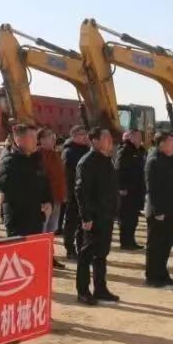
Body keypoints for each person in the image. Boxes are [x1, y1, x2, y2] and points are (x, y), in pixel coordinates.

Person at [75, 126, 121, 305]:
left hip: (106, 214)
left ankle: (101, 289)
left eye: (110, 138)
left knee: (101, 254)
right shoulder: (87, 162)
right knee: (86, 255)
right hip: (93, 216)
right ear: (94, 141)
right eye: (105, 137)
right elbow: (81, 191)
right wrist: (86, 217)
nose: (110, 141)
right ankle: (83, 291)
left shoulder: (107, 160)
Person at [0, 124, 52, 237]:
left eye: (36, 137)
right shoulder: (9, 162)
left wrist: (48, 200)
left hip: (35, 217)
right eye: (31, 137)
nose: (36, 141)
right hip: (18, 220)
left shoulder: (35, 158)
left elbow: (44, 181)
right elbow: (13, 192)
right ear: (19, 139)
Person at [143, 131, 173, 287]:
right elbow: (152, 188)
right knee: (155, 245)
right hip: (158, 210)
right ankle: (152, 276)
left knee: (166, 244)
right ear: (162, 144)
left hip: (172, 208)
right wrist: (158, 211)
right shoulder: (154, 161)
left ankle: (162, 274)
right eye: (172, 141)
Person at [38, 128, 67, 269]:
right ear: (41, 139)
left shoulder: (55, 155)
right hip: (45, 200)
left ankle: (50, 256)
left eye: (53, 137)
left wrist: (63, 194)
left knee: (51, 230)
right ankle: (41, 258)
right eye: (50, 137)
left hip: (56, 198)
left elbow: (60, 177)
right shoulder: (38, 155)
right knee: (42, 230)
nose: (53, 140)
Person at [61, 126, 90, 259]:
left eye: (85, 134)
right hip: (73, 193)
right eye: (80, 134)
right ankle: (70, 248)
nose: (84, 137)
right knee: (71, 222)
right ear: (73, 136)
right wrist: (68, 193)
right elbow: (67, 175)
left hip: (85, 193)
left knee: (82, 223)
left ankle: (81, 248)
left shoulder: (87, 150)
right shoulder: (69, 152)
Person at [115, 130, 145, 250]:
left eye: (140, 137)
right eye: (137, 137)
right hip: (127, 191)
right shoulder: (125, 151)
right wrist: (121, 187)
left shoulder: (140, 151)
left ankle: (131, 240)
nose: (140, 139)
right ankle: (125, 242)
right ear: (131, 138)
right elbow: (118, 169)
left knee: (133, 218)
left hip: (136, 190)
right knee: (126, 218)